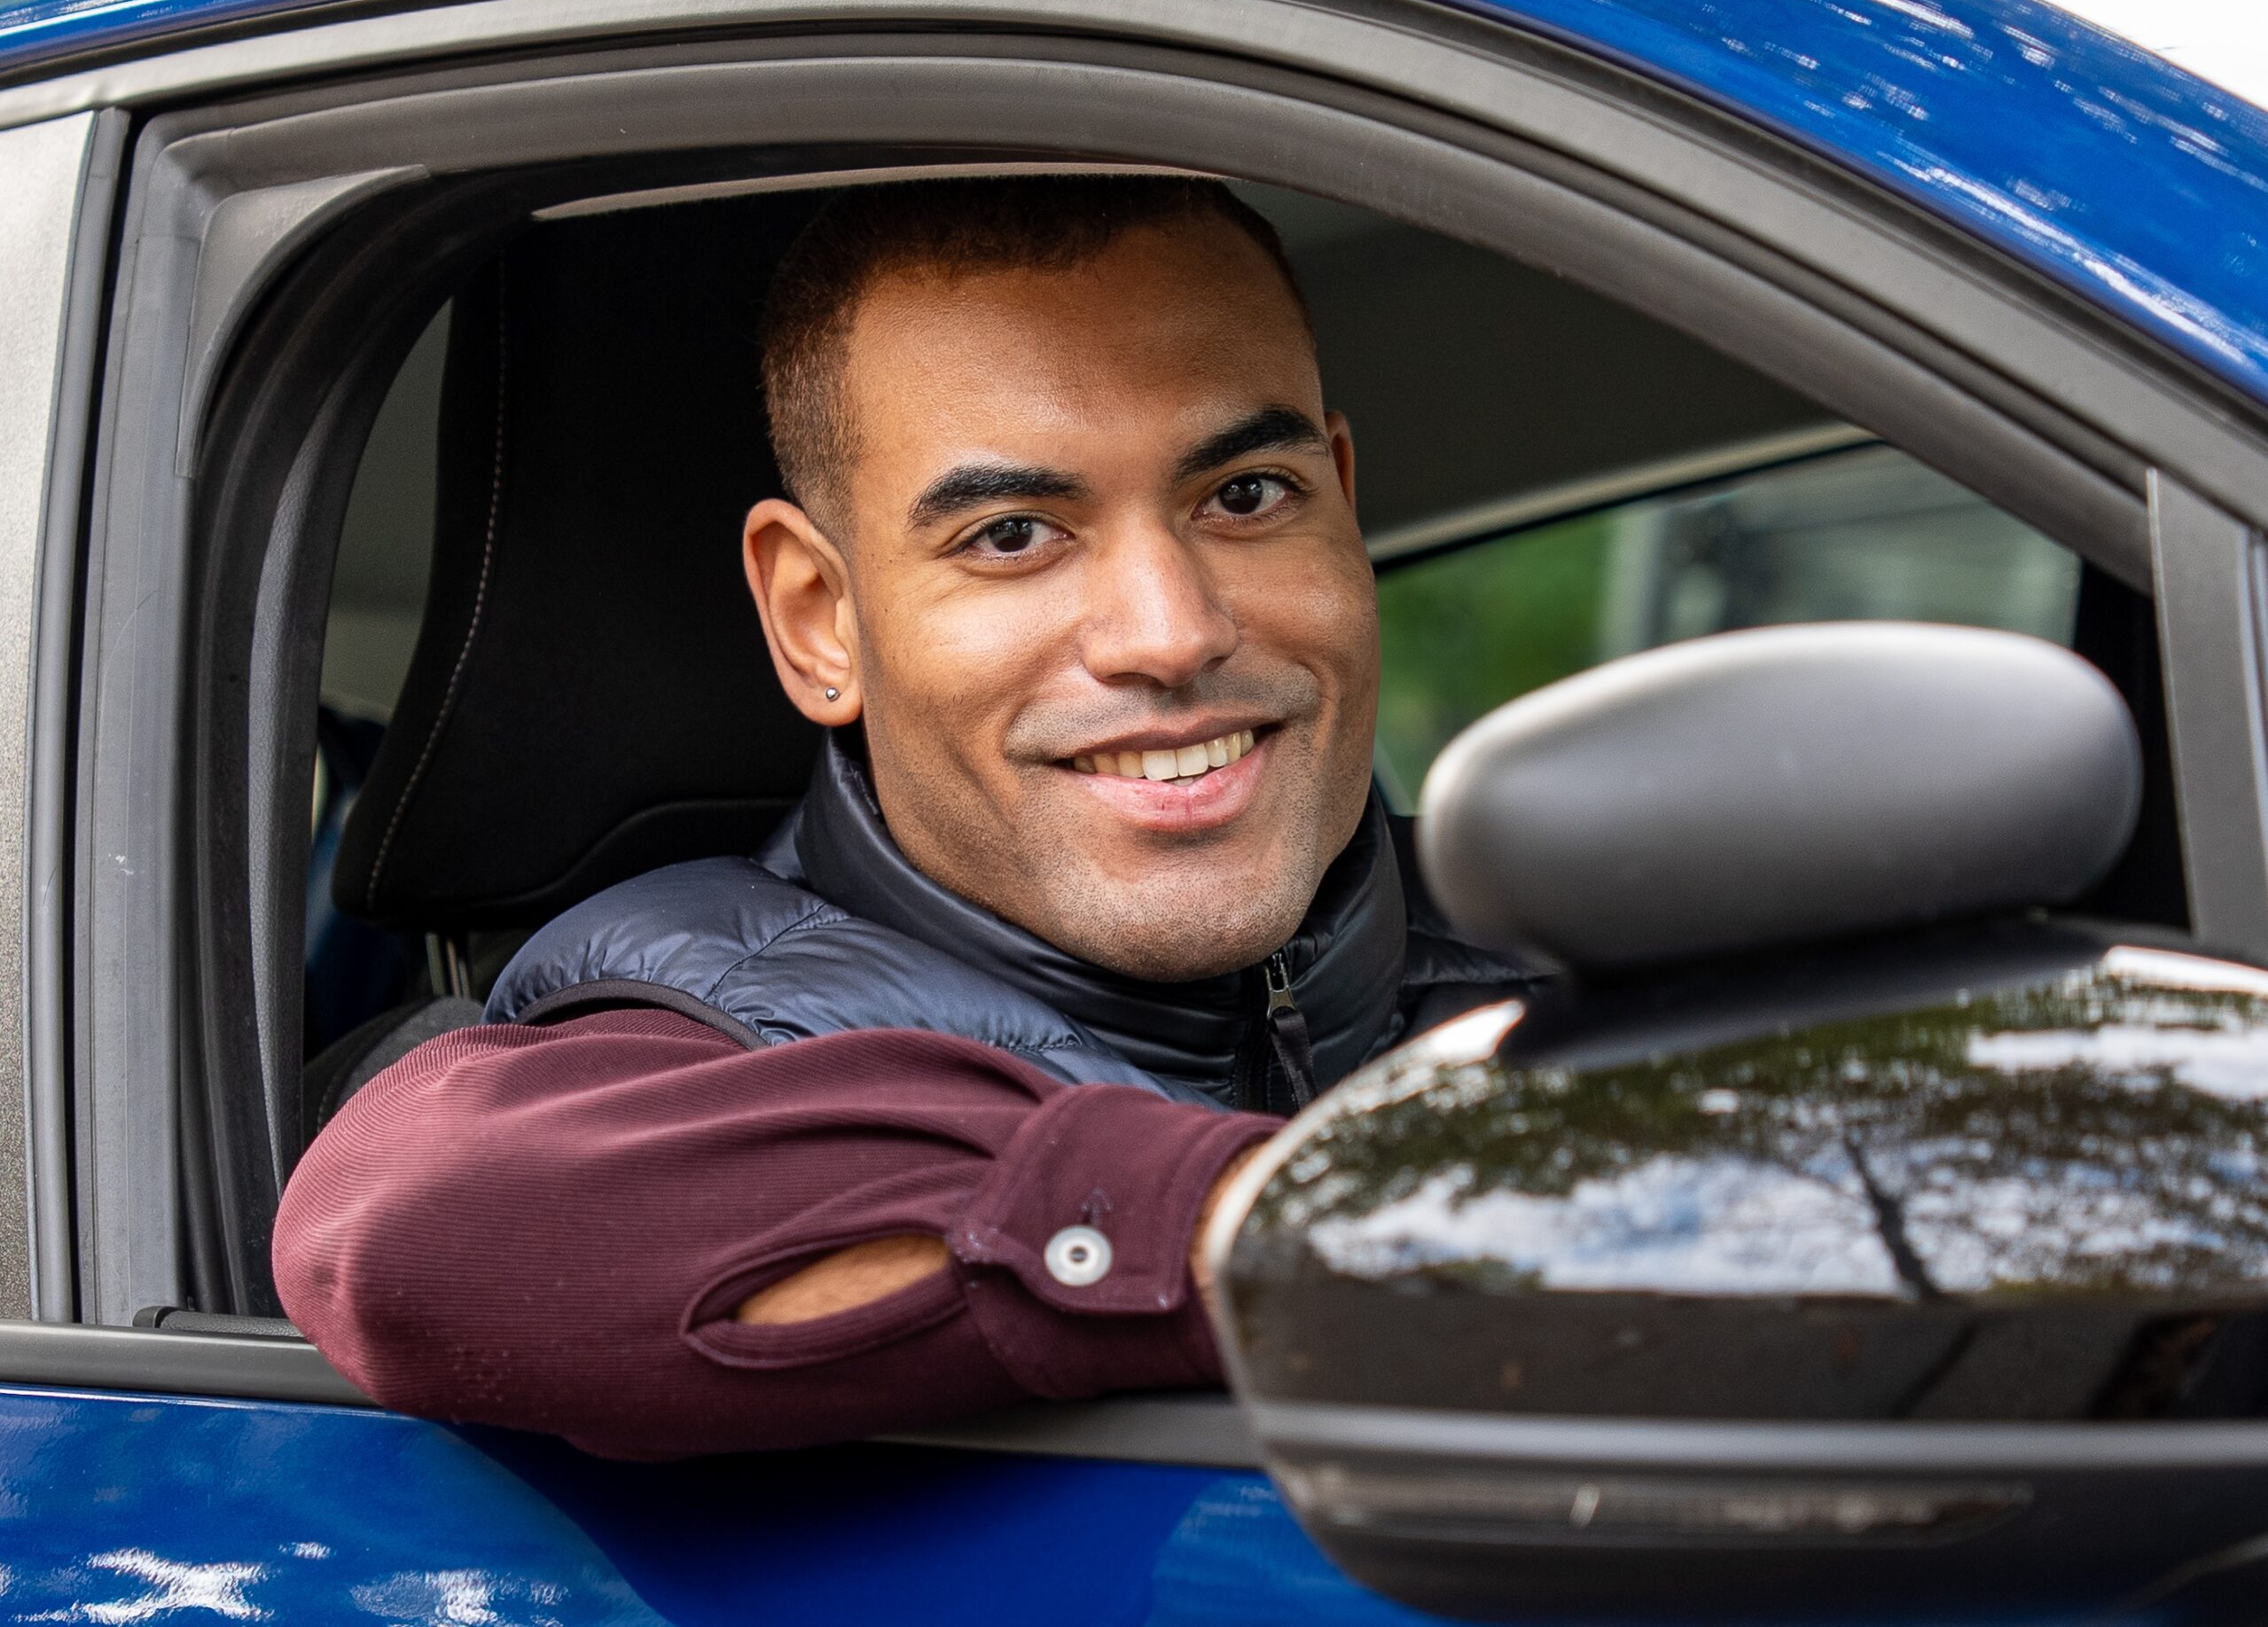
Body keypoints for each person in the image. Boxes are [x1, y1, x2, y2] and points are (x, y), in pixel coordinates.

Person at [275, 176, 1530, 1458]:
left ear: (1343, 501)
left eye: (1247, 496)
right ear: (819, 619)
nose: (1171, 631)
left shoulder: (1582, 960)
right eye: (1012, 534)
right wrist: (1282, 1222)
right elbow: (421, 1221)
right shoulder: (688, 1032)